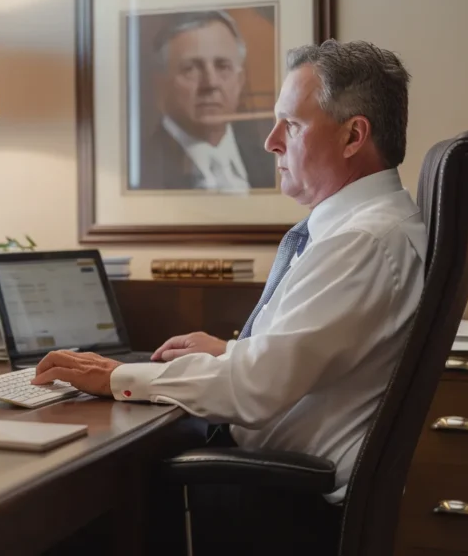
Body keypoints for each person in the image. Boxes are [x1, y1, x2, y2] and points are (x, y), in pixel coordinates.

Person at [33, 39, 424, 501]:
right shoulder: (372, 228)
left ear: (353, 137)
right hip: (276, 482)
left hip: (280, 500)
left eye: (292, 125)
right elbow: (301, 357)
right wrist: (232, 351)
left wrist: (114, 377)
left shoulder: (360, 242)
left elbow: (253, 390)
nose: (270, 140)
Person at [134, 10, 276, 192]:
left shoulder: (272, 165)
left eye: (222, 66)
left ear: (240, 81)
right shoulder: (142, 170)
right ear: (161, 83)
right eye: (190, 68)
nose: (210, 83)